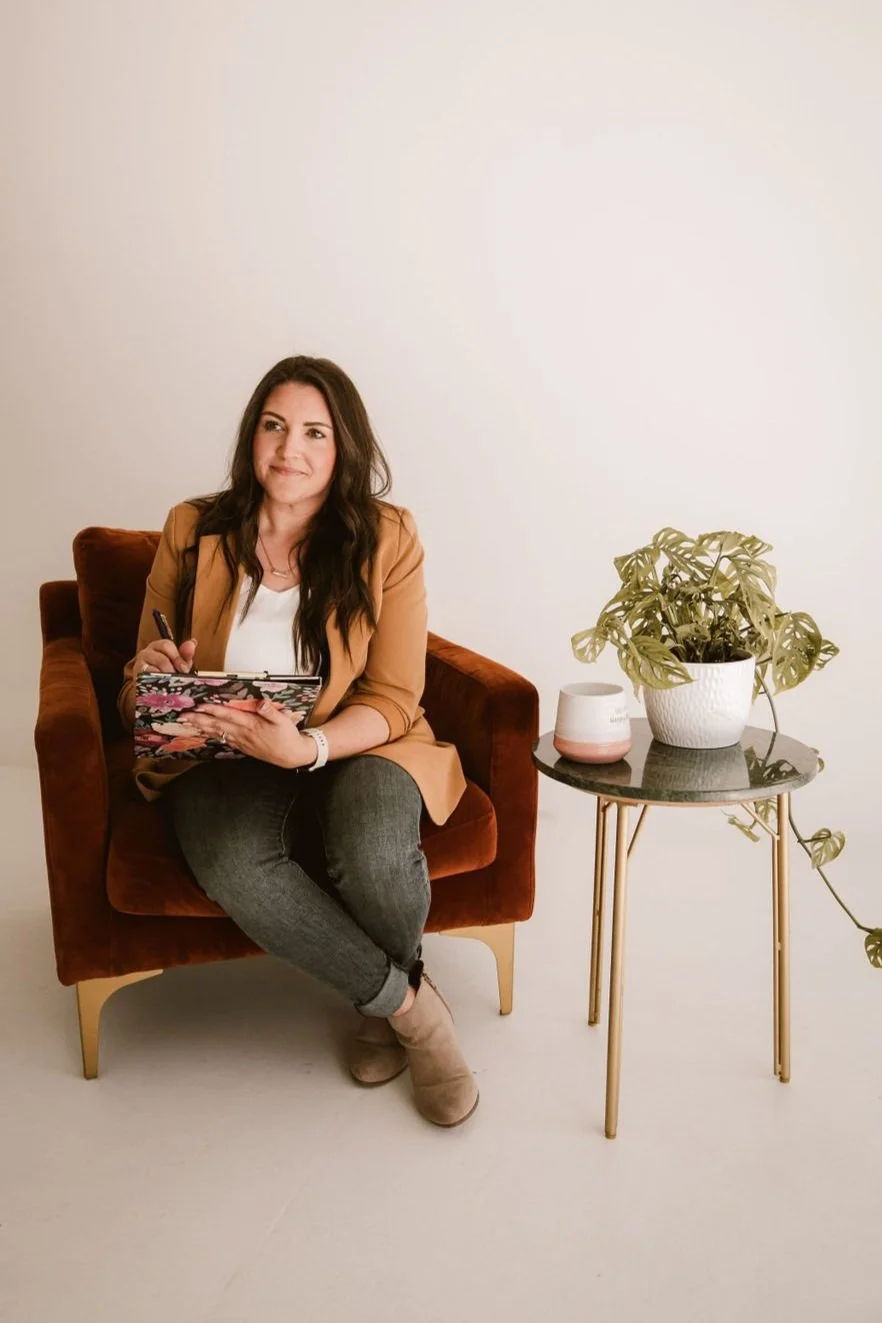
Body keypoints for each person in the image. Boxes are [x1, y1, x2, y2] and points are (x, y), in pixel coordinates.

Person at [117, 355, 478, 1127]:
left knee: (376, 845)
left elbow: (393, 696)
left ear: (343, 446)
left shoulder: (389, 537)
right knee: (227, 859)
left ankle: (384, 1011)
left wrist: (308, 747)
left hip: (354, 739)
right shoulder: (194, 529)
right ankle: (411, 1007)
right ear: (253, 435)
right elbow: (138, 688)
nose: (290, 448)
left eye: (315, 431)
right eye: (274, 425)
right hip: (226, 750)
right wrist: (148, 673)